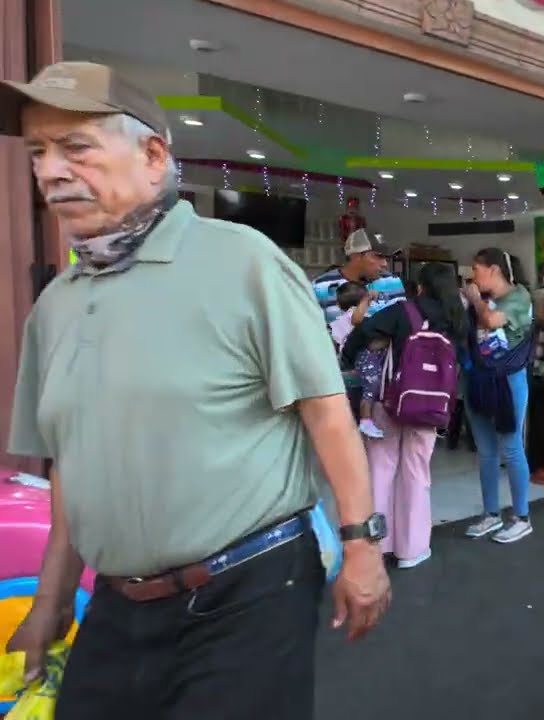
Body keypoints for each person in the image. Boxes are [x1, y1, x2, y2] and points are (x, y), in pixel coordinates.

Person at [1, 61, 390, 720]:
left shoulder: (243, 262)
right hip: (118, 606)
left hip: (248, 592)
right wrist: (52, 600)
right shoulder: (57, 305)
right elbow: (72, 462)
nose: (50, 171)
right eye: (39, 153)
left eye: (76, 148)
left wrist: (362, 545)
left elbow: (326, 414)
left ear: (153, 156)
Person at [342, 263, 468, 568]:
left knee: (381, 470)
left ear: (421, 288)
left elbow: (362, 333)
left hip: (392, 402)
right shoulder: (457, 320)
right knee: (416, 473)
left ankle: (377, 545)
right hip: (431, 408)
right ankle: (411, 550)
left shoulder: (403, 311)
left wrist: (351, 357)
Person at [462, 248, 536, 544]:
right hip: (477, 379)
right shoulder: (479, 297)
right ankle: (491, 514)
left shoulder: (519, 297)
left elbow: (491, 321)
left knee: (511, 447)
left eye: (477, 271)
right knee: (486, 450)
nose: (473, 277)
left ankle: (521, 517)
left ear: (494, 270)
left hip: (508, 381)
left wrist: (475, 300)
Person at [331, 282, 392, 438]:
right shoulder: (354, 315)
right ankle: (366, 420)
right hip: (358, 357)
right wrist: (366, 299)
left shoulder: (345, 317)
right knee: (371, 384)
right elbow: (356, 319)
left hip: (352, 363)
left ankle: (365, 421)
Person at [312, 228, 402, 324]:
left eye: (386, 258)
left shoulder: (392, 282)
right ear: (356, 256)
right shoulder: (320, 287)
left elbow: (401, 325)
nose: (385, 264)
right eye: (378, 256)